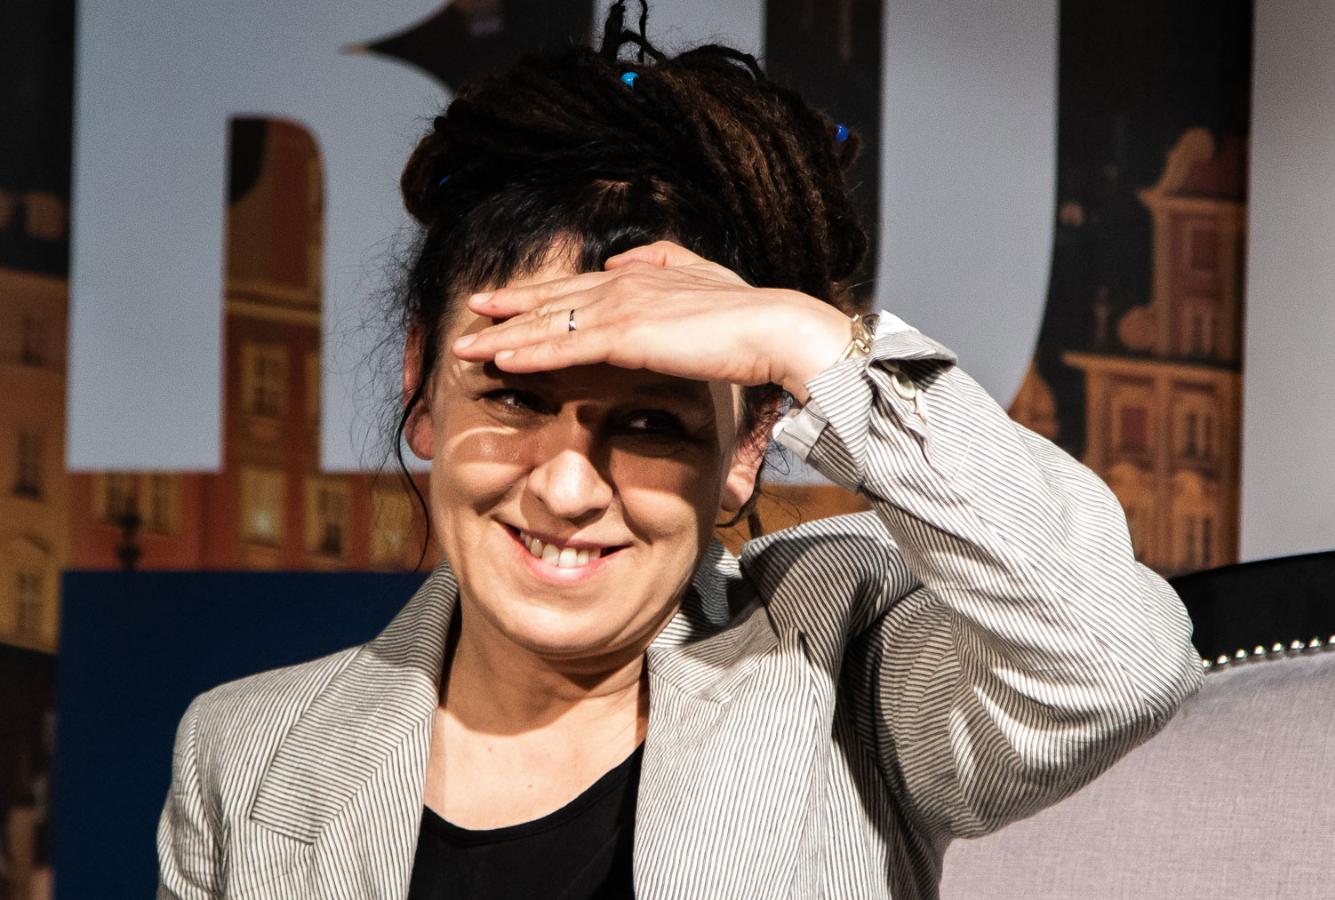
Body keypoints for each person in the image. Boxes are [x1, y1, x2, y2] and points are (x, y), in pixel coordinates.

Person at [156, 4, 1202, 897]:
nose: (568, 486)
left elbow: (1114, 660)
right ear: (422, 387)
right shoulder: (247, 753)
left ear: (745, 448)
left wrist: (807, 341)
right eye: (515, 397)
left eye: (650, 424)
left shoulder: (837, 660)